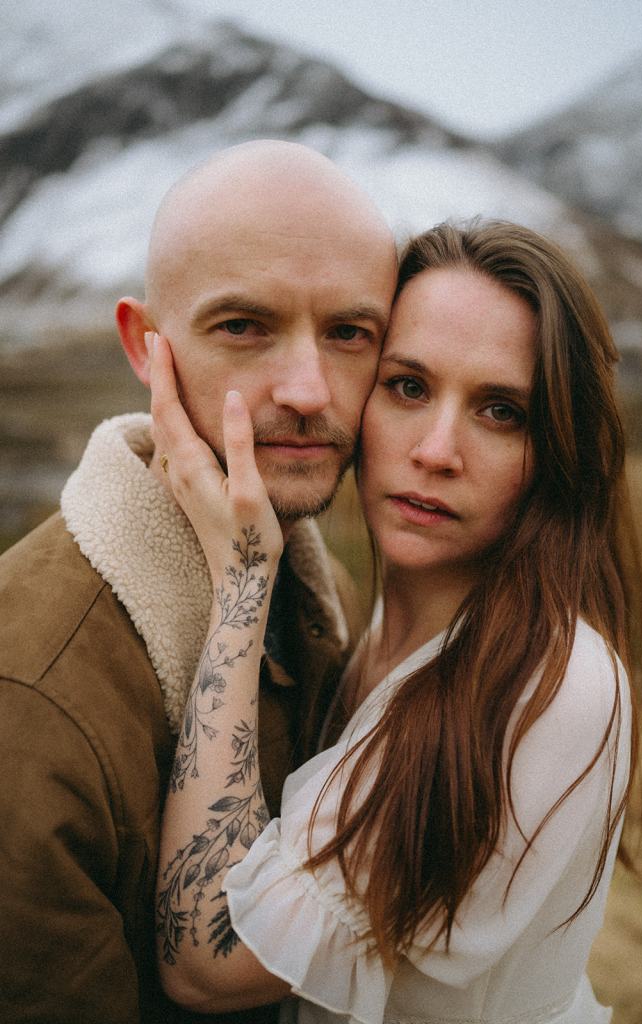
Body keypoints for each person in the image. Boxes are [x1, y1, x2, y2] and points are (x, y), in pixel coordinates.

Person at [153, 219, 642, 1023]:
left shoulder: (553, 687)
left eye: (501, 411)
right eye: (409, 387)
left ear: (556, 448)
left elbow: (208, 964)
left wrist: (244, 578)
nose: (437, 449)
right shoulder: (383, 621)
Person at [0, 141, 397, 1024]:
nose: (306, 390)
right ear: (147, 346)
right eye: (244, 326)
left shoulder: (318, 585)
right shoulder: (29, 690)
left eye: (349, 334)